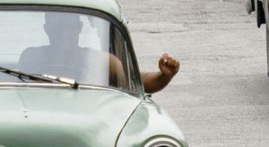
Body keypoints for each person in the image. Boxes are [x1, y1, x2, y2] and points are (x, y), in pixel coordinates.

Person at [16, 10, 180, 92]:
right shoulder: (32, 57)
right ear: (47, 29)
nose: (64, 34)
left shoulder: (102, 61)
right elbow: (20, 96)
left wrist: (164, 75)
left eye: (70, 27)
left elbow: (138, 83)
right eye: (58, 28)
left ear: (79, 28)